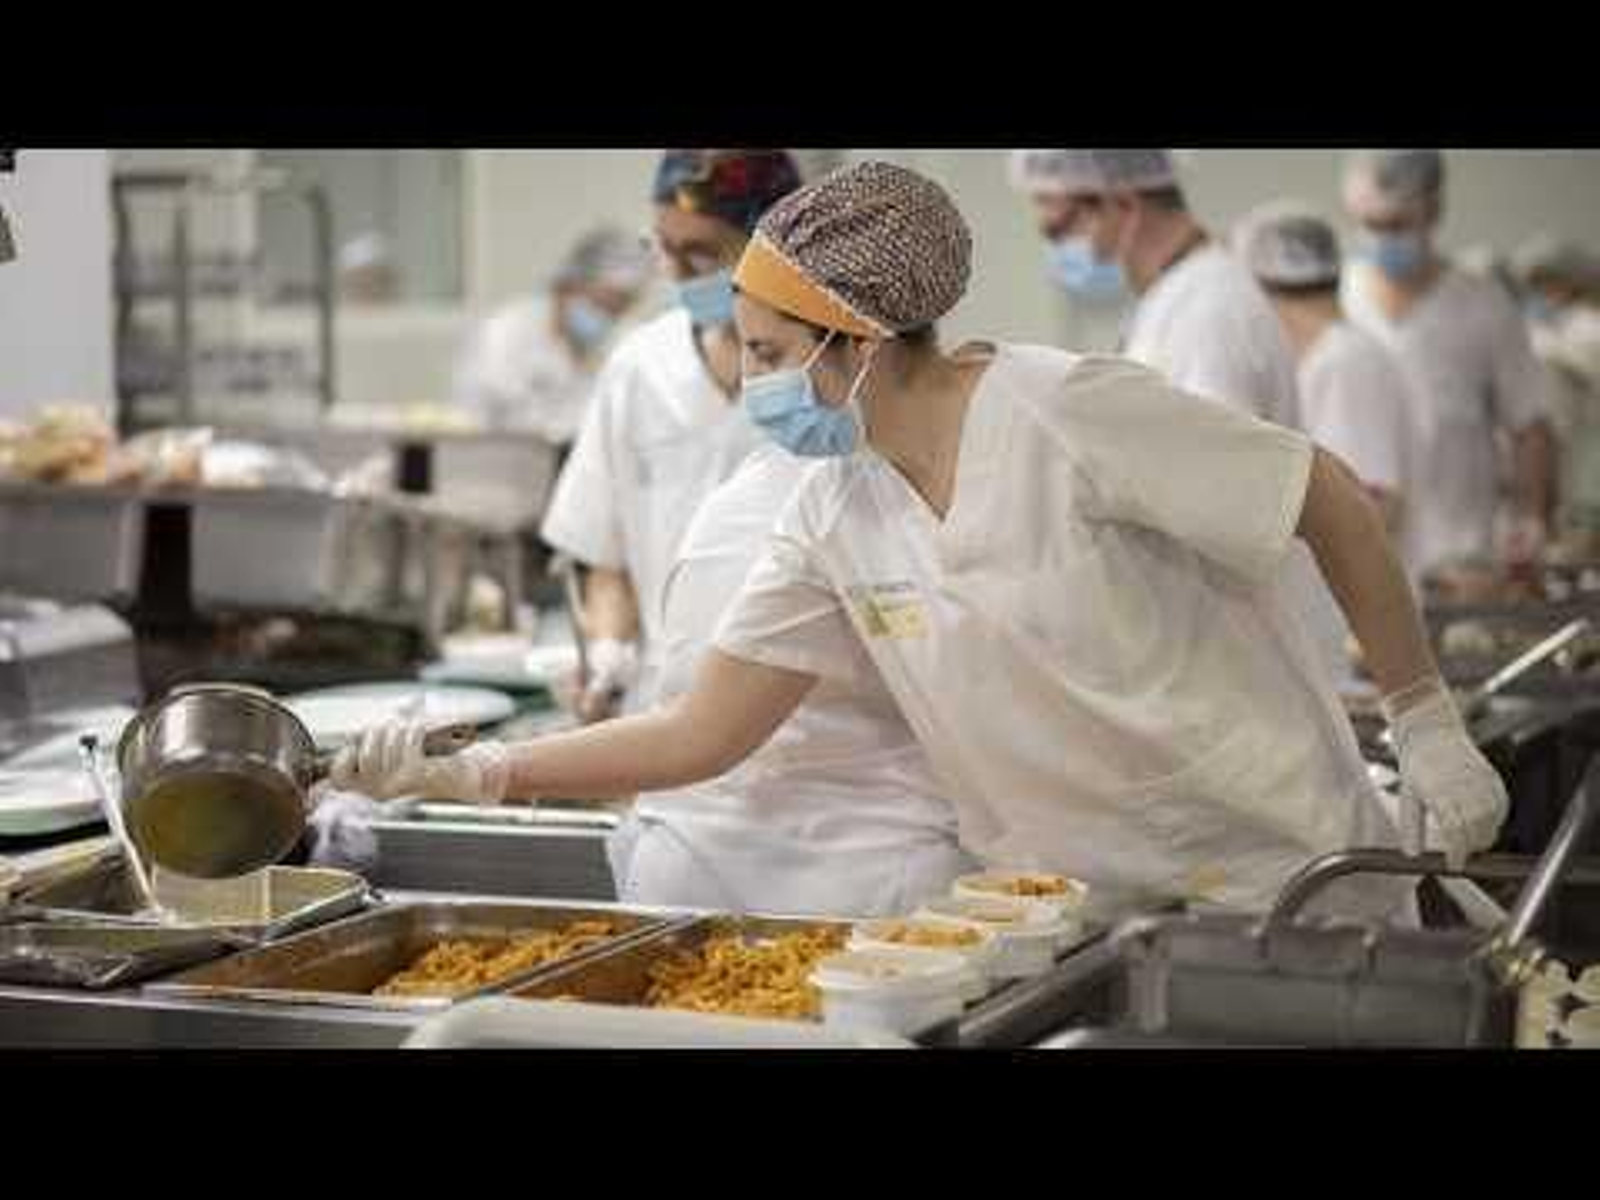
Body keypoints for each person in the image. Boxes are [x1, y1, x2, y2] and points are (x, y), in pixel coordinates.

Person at [333, 161, 1509, 923]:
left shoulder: (1067, 411)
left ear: (856, 337)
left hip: (1276, 874)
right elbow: (703, 732)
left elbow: (1329, 497)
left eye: (766, 350)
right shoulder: (831, 505)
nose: (748, 382)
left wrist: (1423, 716)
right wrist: (480, 773)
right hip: (1077, 909)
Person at [603, 441, 974, 915]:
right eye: (757, 360)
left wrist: (500, 770)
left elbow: (701, 736)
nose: (757, 377)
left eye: (771, 360)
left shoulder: (856, 504)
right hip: (699, 872)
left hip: (869, 886)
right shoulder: (758, 494)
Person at [538, 150, 802, 722]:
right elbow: (606, 557)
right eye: (663, 248)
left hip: (799, 720)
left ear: (773, 249)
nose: (678, 273)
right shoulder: (640, 368)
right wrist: (608, 651)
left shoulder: (820, 377)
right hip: (662, 711)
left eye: (701, 254)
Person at [1340, 150, 1556, 579]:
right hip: (1356, 553)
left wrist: (1529, 517)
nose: (1384, 238)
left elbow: (1529, 425)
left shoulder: (1483, 305)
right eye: (1372, 225)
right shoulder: (1341, 302)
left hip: (1460, 557)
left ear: (1433, 210)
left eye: (1398, 225)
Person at [1233, 201, 1416, 556]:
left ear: (1260, 289)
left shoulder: (1348, 363)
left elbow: (1368, 507)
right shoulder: (1326, 358)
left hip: (1355, 604)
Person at [450, 226, 654, 443]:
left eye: (623, 306)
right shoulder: (505, 334)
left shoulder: (623, 341)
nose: (612, 315)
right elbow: (472, 419)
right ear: (570, 285)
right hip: (504, 465)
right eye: (605, 301)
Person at [1511, 234, 1600, 542]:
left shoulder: (1588, 328)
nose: (1540, 295)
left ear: (1574, 284)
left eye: (1548, 284)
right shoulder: (1540, 329)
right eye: (1533, 286)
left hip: (1575, 452)